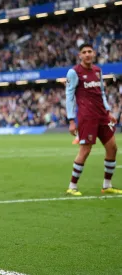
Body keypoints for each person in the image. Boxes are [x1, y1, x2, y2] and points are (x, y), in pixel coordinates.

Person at [65, 43, 120, 196]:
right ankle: (72, 186)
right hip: (87, 117)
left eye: (90, 51)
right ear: (80, 55)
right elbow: (69, 96)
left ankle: (107, 185)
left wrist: (108, 111)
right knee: (85, 150)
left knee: (112, 148)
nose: (87, 54)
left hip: (102, 116)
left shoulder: (97, 71)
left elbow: (101, 92)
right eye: (84, 52)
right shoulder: (74, 72)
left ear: (94, 53)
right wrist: (71, 120)